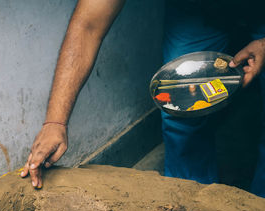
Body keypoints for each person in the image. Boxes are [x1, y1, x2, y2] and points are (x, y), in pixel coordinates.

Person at [20, 0, 265, 197]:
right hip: (197, 10)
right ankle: (191, 206)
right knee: (179, 108)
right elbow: (88, 26)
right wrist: (55, 123)